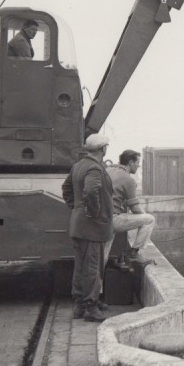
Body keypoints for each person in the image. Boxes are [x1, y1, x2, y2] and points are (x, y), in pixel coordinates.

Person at [62, 134, 114, 322]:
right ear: (103, 149)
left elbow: (66, 189)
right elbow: (91, 191)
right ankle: (91, 308)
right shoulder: (94, 167)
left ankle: (79, 306)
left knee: (80, 266)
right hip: (92, 226)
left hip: (79, 225)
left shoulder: (78, 166)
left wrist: (77, 209)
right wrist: (94, 213)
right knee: (92, 266)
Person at [103, 149, 156, 263]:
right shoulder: (129, 179)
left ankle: (97, 280)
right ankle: (134, 253)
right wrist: (145, 220)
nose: (138, 166)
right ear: (131, 163)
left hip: (101, 219)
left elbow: (114, 165)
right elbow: (134, 207)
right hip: (113, 220)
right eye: (137, 163)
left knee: (102, 258)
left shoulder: (109, 170)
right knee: (149, 220)